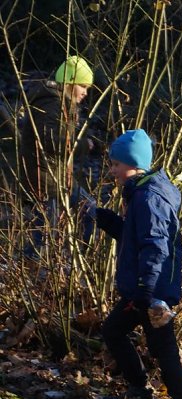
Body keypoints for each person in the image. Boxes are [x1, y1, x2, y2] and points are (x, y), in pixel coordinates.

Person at [92, 129, 182, 399]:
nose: (112, 171)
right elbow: (133, 235)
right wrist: (101, 217)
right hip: (145, 289)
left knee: (160, 346)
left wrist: (146, 293)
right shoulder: (141, 193)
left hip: (151, 292)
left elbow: (155, 245)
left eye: (115, 165)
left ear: (133, 164)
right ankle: (145, 392)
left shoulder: (149, 197)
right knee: (118, 331)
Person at [19, 55, 95, 257]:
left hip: (58, 178)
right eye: (83, 86)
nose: (85, 93)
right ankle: (32, 278)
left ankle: (77, 264)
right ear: (70, 82)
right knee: (42, 241)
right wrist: (81, 146)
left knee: (91, 212)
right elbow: (51, 141)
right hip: (45, 183)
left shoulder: (60, 102)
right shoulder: (52, 103)